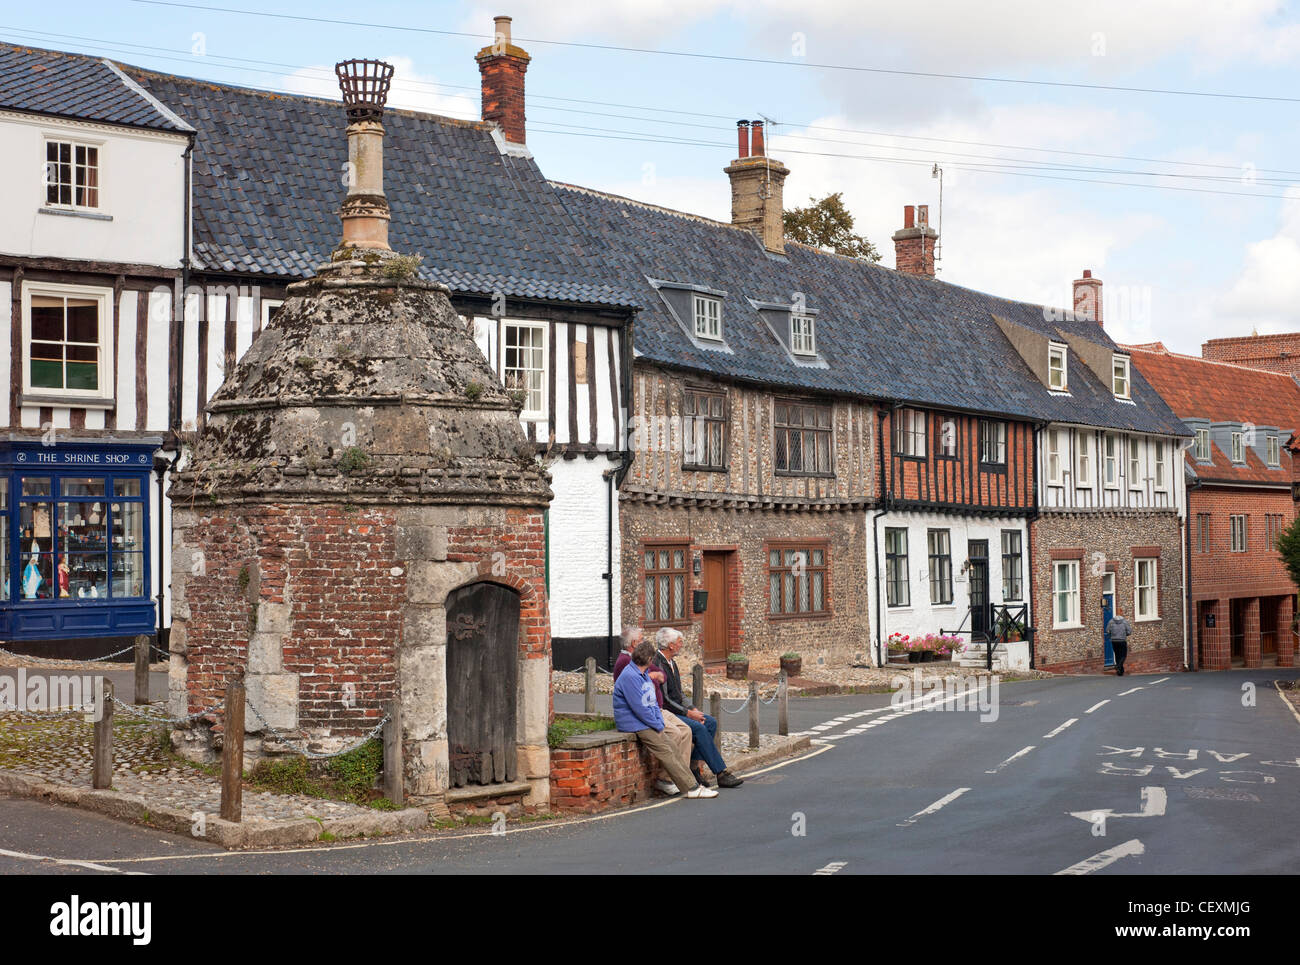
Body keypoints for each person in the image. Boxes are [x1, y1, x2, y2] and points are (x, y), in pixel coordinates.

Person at [613, 640, 717, 799]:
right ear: (649, 660)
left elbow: (652, 703)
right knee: (667, 751)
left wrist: (658, 721)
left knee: (672, 747)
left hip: (645, 721)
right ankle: (691, 788)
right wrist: (657, 724)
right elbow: (639, 709)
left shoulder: (643, 675)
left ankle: (692, 785)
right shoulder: (630, 676)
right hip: (634, 723)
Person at [652, 627, 744, 789]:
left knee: (710, 723)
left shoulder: (672, 662)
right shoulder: (658, 663)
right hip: (668, 713)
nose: (682, 645)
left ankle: (694, 768)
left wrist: (692, 709)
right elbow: (665, 699)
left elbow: (679, 693)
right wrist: (687, 713)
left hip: (679, 711)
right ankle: (721, 773)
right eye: (679, 642)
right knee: (699, 729)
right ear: (671, 645)